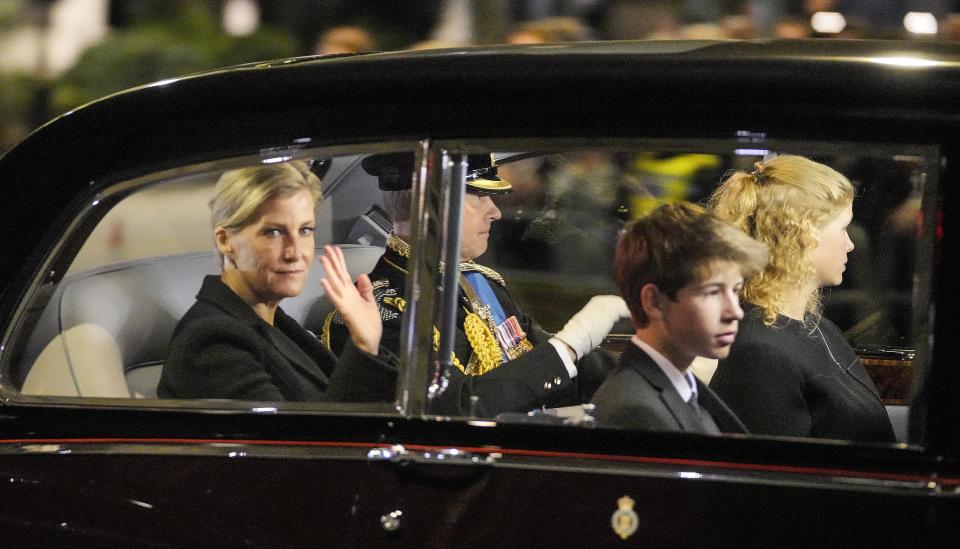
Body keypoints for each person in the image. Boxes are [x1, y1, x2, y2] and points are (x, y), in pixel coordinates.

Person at [324, 153, 627, 416]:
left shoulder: (481, 283)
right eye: (479, 197)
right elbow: (454, 410)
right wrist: (572, 342)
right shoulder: (381, 312)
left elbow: (547, 364)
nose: (495, 212)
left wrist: (647, 364)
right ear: (429, 206)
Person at [159, 161, 396, 401]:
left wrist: (368, 345)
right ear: (225, 240)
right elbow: (302, 438)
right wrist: (363, 347)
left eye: (305, 230)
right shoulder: (212, 342)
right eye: (273, 232)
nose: (295, 252)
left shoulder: (272, 321)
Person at [708, 155, 896, 442]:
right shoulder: (759, 353)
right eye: (843, 228)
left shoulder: (818, 328)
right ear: (804, 233)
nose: (850, 244)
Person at [590, 202, 767, 433]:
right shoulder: (635, 411)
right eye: (712, 292)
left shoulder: (683, 388)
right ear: (653, 302)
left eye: (735, 290)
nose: (735, 312)